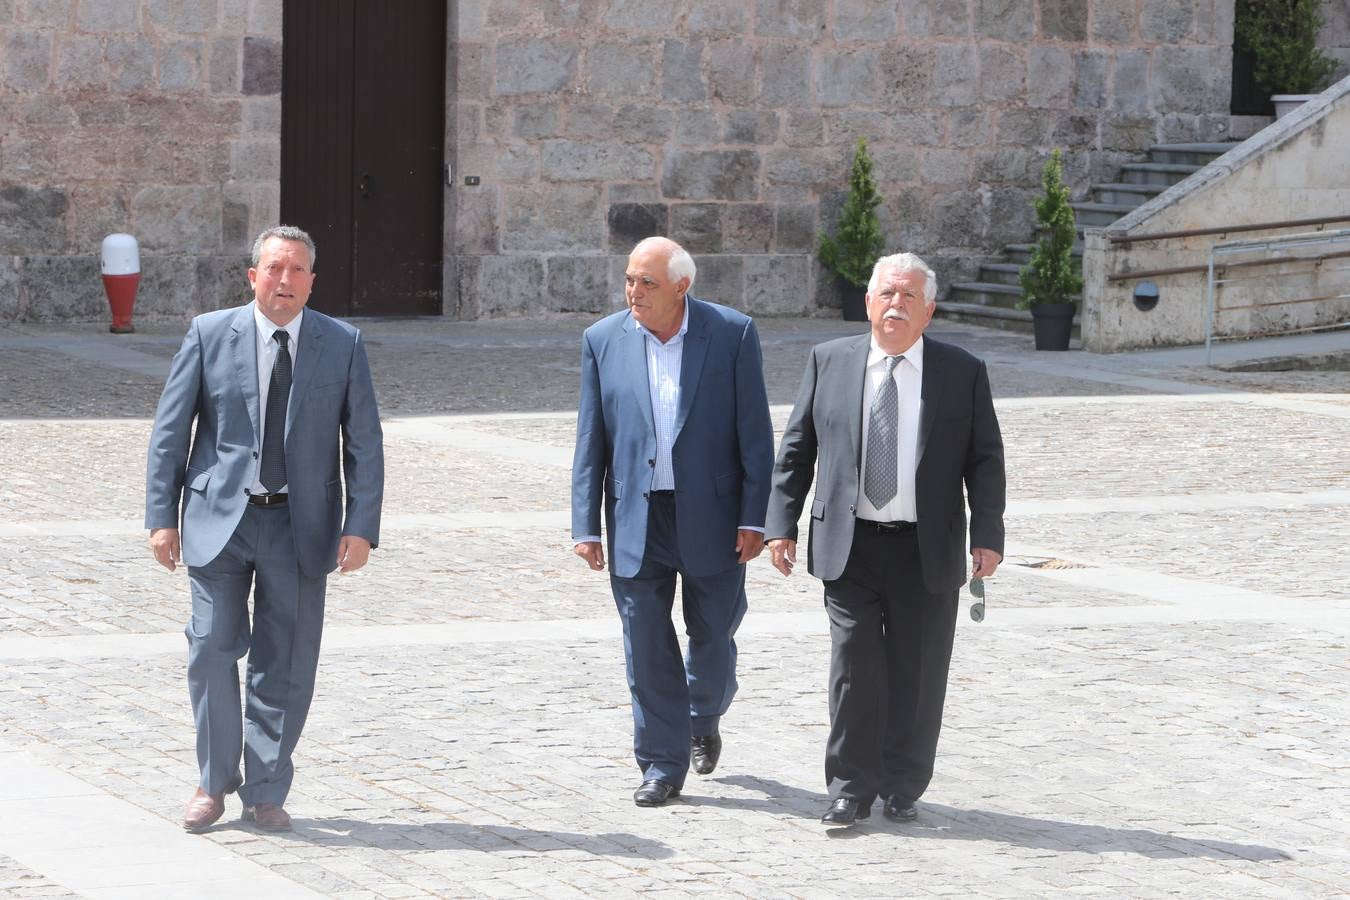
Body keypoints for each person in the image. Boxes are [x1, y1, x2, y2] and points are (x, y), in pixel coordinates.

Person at [145, 225, 384, 833]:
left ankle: (267, 787)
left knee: (287, 659)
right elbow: (171, 433)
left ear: (312, 280)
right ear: (253, 276)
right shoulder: (208, 334)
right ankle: (212, 780)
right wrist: (160, 518)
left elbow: (363, 442)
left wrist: (361, 524)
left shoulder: (342, 343)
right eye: (275, 268)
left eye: (298, 270)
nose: (286, 280)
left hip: (300, 526)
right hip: (218, 520)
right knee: (210, 648)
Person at [765, 252, 1005, 827]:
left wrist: (989, 534)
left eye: (908, 297)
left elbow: (985, 459)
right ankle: (849, 786)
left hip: (927, 545)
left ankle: (902, 784)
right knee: (854, 666)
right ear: (869, 302)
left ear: (929, 310)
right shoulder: (830, 361)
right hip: (850, 545)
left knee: (918, 672)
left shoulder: (961, 371)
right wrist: (781, 523)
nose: (895, 305)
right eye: (886, 295)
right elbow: (797, 449)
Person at [571, 236, 774, 807]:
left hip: (713, 516)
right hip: (637, 516)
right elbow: (592, 440)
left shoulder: (731, 333)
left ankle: (703, 712)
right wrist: (585, 525)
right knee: (644, 645)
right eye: (630, 280)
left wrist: (755, 517)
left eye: (647, 283)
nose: (634, 291)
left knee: (713, 636)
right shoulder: (602, 340)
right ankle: (662, 762)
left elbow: (755, 433)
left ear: (682, 286)